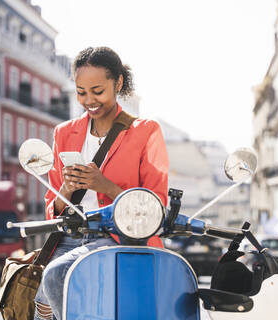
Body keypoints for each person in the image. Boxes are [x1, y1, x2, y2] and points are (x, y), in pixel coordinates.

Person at [33, 47, 169, 320]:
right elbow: (53, 207)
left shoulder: (145, 131)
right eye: (81, 92)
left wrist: (104, 185)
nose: (89, 100)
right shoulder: (63, 132)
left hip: (117, 237)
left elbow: (156, 207)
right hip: (68, 236)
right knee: (37, 302)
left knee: (57, 275)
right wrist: (67, 190)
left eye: (97, 91)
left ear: (117, 83)